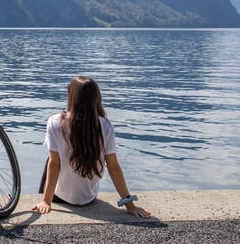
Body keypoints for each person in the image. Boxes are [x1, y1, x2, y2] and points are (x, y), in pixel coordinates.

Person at [32, 76, 151, 218]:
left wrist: (46, 202)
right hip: (89, 197)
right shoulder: (105, 126)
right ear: (96, 98)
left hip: (60, 197)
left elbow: (55, 164)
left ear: (71, 96)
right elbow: (113, 167)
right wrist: (130, 204)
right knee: (57, 156)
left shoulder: (55, 122)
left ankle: (44, 196)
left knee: (51, 159)